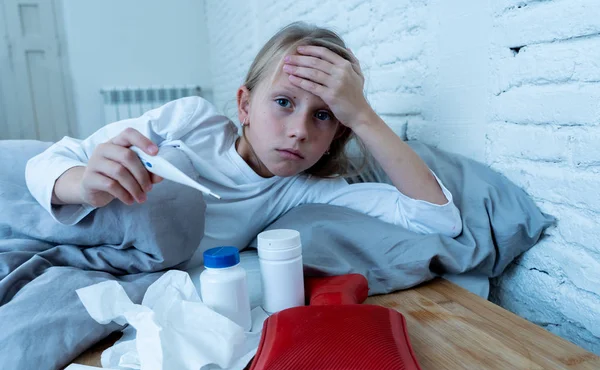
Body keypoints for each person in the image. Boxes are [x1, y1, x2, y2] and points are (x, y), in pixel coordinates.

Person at [26, 22, 462, 267]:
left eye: (324, 115)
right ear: (245, 105)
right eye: (284, 102)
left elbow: (437, 219)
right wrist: (84, 183)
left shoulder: (306, 191)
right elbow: (49, 160)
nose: (299, 130)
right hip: (50, 195)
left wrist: (362, 115)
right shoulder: (192, 123)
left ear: (339, 132)